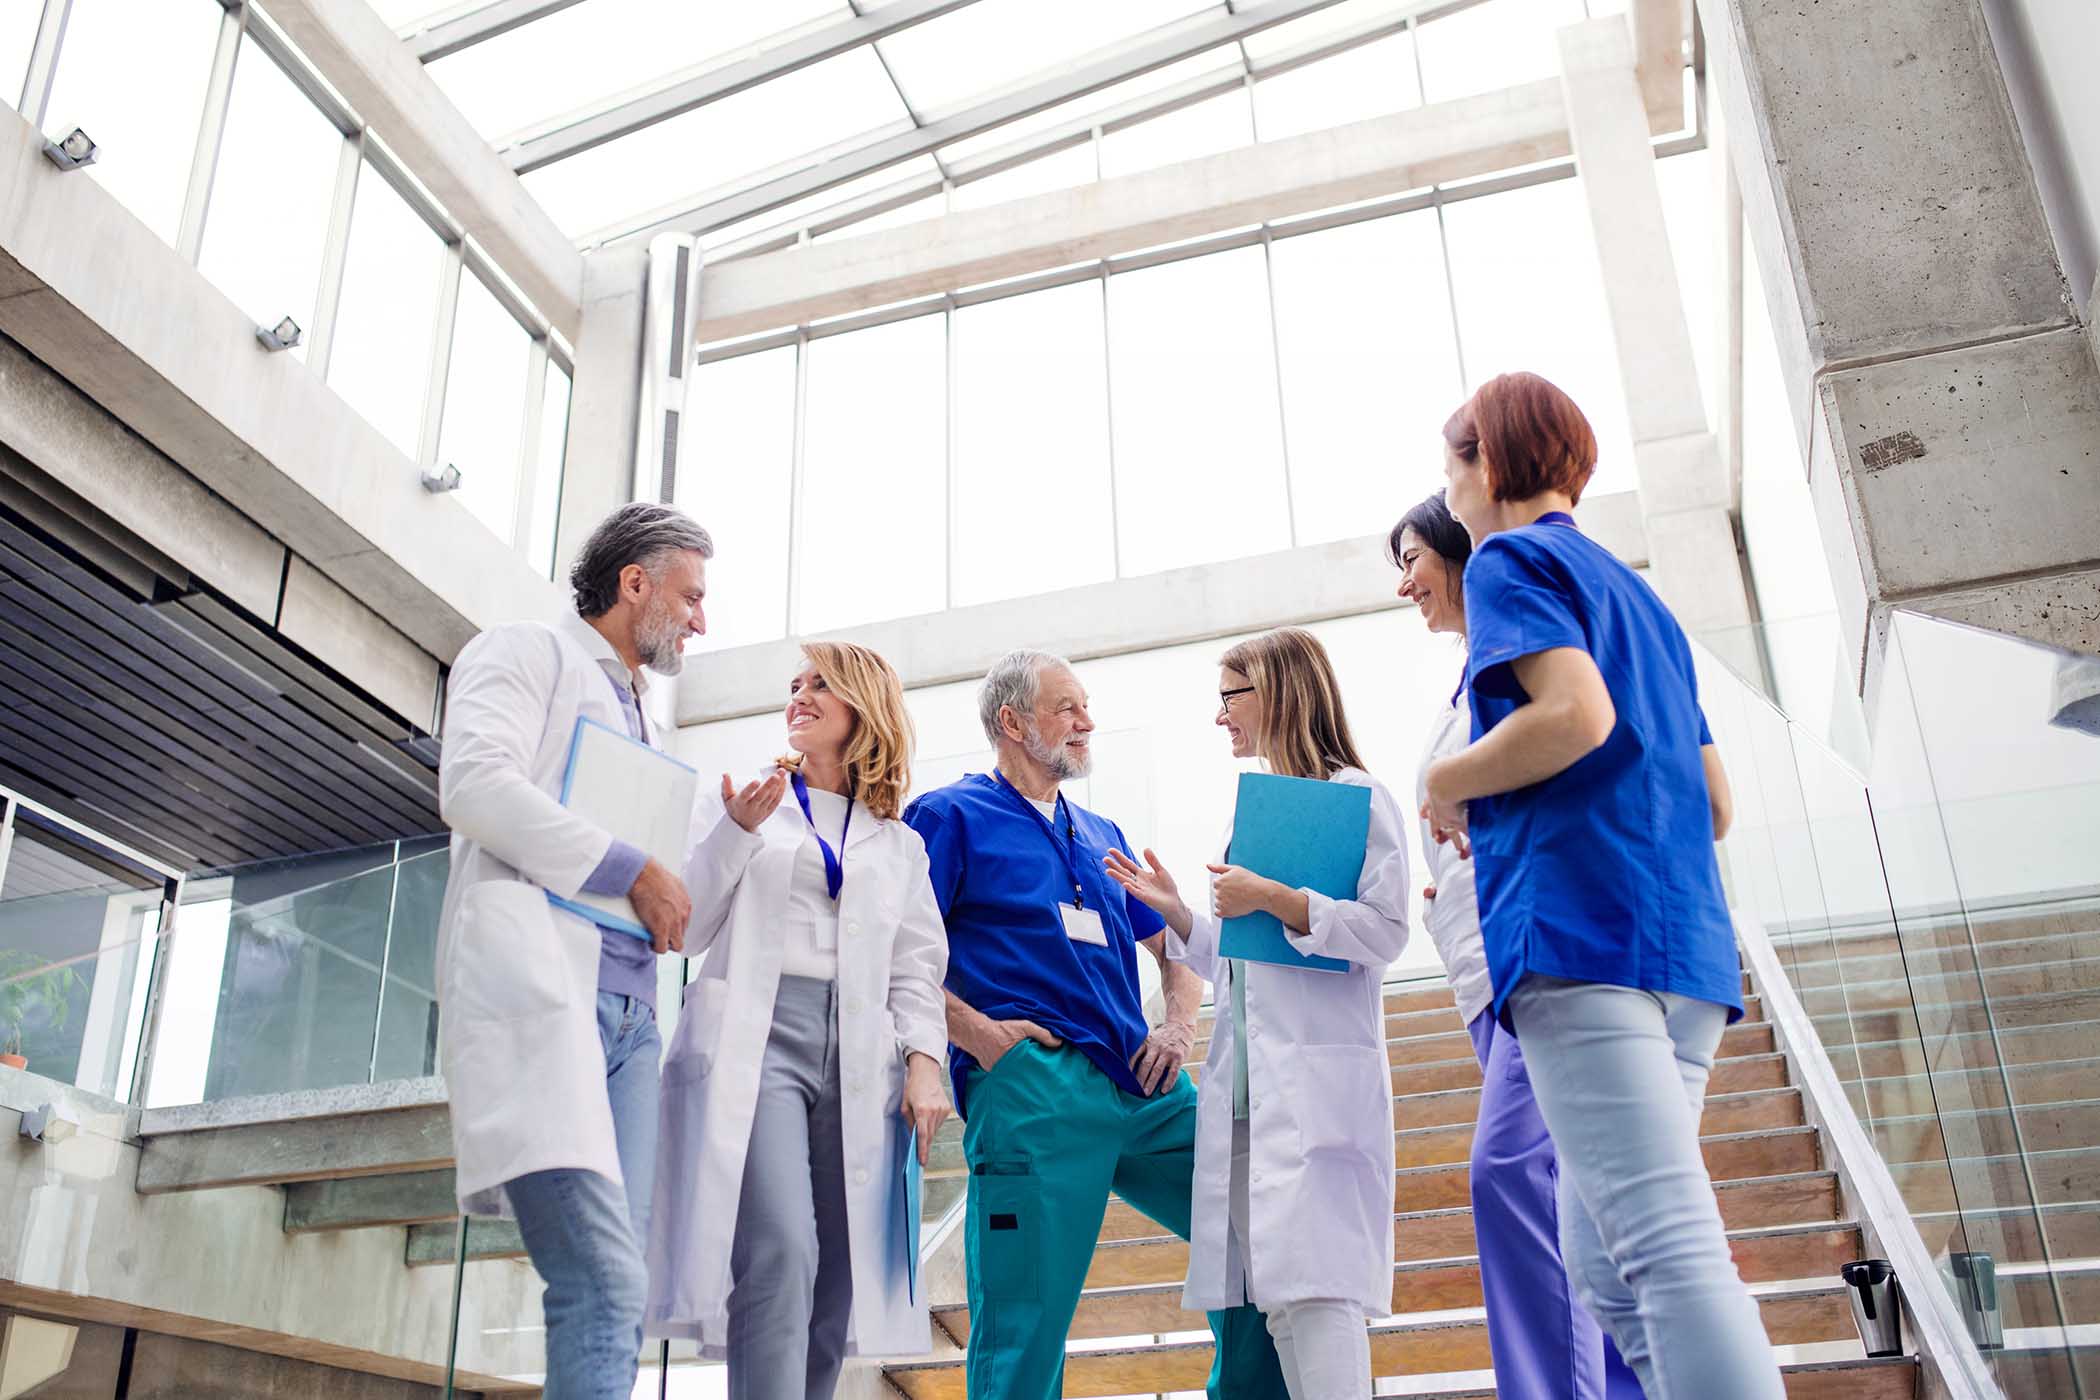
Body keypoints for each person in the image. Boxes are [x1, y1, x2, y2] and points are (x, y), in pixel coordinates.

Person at [1419, 373, 1773, 1400]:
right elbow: (1713, 800)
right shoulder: (1641, 598)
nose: (1449, 496)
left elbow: (1575, 716)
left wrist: (1448, 782)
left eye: (1452, 469)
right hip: (1684, 951)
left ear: (1489, 462)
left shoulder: (1510, 560)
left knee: (1662, 1247)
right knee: (1606, 1263)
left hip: (1580, 936)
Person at [903, 650, 1288, 1400]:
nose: (1088, 722)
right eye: (1068, 707)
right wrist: (978, 1036)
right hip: (1035, 1091)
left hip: (1145, 1087)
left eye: (1086, 708)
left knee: (1257, 1231)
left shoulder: (1099, 830)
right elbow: (896, 950)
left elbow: (1176, 950)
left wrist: (1176, 1029)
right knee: (1024, 1321)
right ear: (1011, 723)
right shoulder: (948, 815)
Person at [435, 502, 723, 1400]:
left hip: (633, 1018)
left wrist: (714, 845)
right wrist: (629, 865)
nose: (702, 621)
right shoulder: (525, 652)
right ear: (635, 584)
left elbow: (666, 886)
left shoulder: (646, 717)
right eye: (692, 596)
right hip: (545, 993)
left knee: (618, 1288)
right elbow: (475, 785)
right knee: (600, 1277)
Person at [1104, 626, 1409, 1400]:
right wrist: (1177, 914)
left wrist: (1271, 896)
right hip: (1248, 1099)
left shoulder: (1354, 797)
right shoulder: (1258, 816)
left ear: (1273, 691)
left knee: (1319, 1294)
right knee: (1277, 1301)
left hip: (1313, 1096)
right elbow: (1245, 965)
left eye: (1228, 698)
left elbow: (1384, 931)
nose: (1220, 719)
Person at [1391, 489, 1648, 1399]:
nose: (1403, 585)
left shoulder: (1521, 653)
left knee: (1513, 1174)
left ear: (1460, 552)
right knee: (1575, 1202)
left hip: (1537, 957)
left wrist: (1459, 802)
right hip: (1484, 966)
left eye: (1412, 560)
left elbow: (1573, 755)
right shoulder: (1468, 676)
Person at [646, 641, 949, 1400]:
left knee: (842, 1268)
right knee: (781, 1249)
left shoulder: (901, 843)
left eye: (821, 684)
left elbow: (917, 965)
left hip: (861, 1053)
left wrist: (924, 1061)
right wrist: (738, 830)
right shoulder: (745, 803)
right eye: (794, 685)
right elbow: (690, 923)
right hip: (760, 1038)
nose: (800, 696)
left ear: (864, 707)